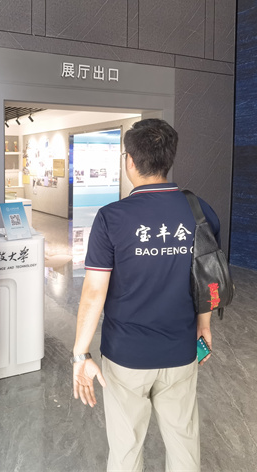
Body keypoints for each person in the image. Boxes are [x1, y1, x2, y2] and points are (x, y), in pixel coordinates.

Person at [71, 119, 219, 472]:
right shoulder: (201, 212)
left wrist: (80, 354)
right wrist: (204, 326)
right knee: (184, 443)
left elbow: (94, 292)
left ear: (130, 162)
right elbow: (208, 277)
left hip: (126, 355)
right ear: (169, 158)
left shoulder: (112, 217)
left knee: (125, 448)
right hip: (181, 349)